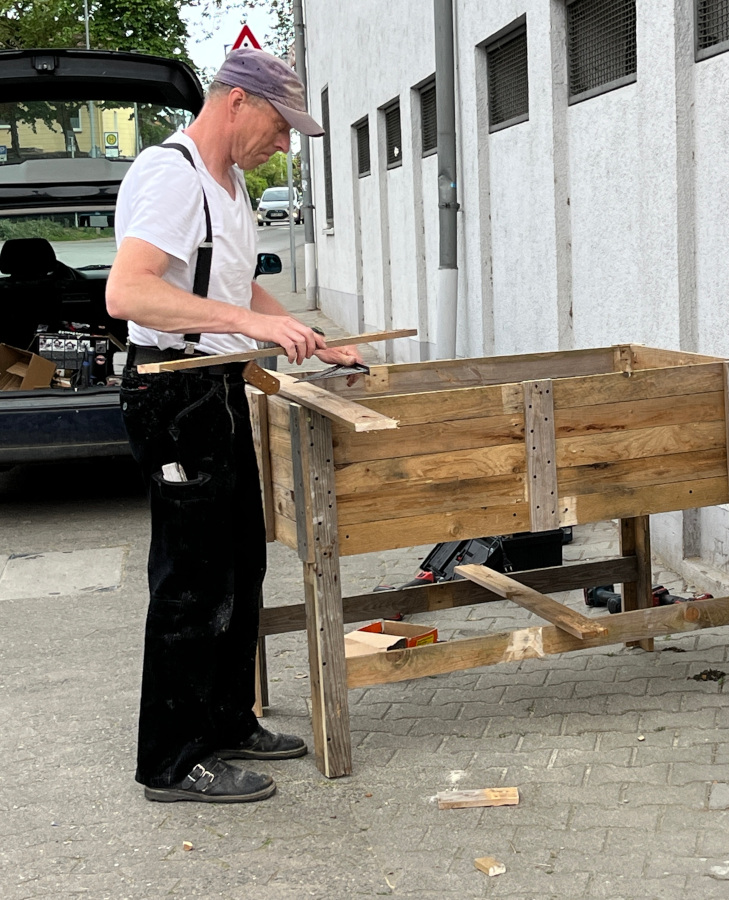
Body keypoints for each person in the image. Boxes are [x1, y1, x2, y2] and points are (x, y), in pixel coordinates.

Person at [107, 48, 361, 803]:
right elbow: (130, 292)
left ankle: (225, 719)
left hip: (216, 389)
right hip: (171, 392)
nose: (283, 146)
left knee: (238, 561)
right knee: (189, 580)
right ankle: (173, 762)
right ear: (238, 104)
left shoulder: (231, 189)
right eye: (281, 128)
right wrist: (245, 324)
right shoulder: (171, 176)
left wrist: (309, 341)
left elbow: (237, 283)